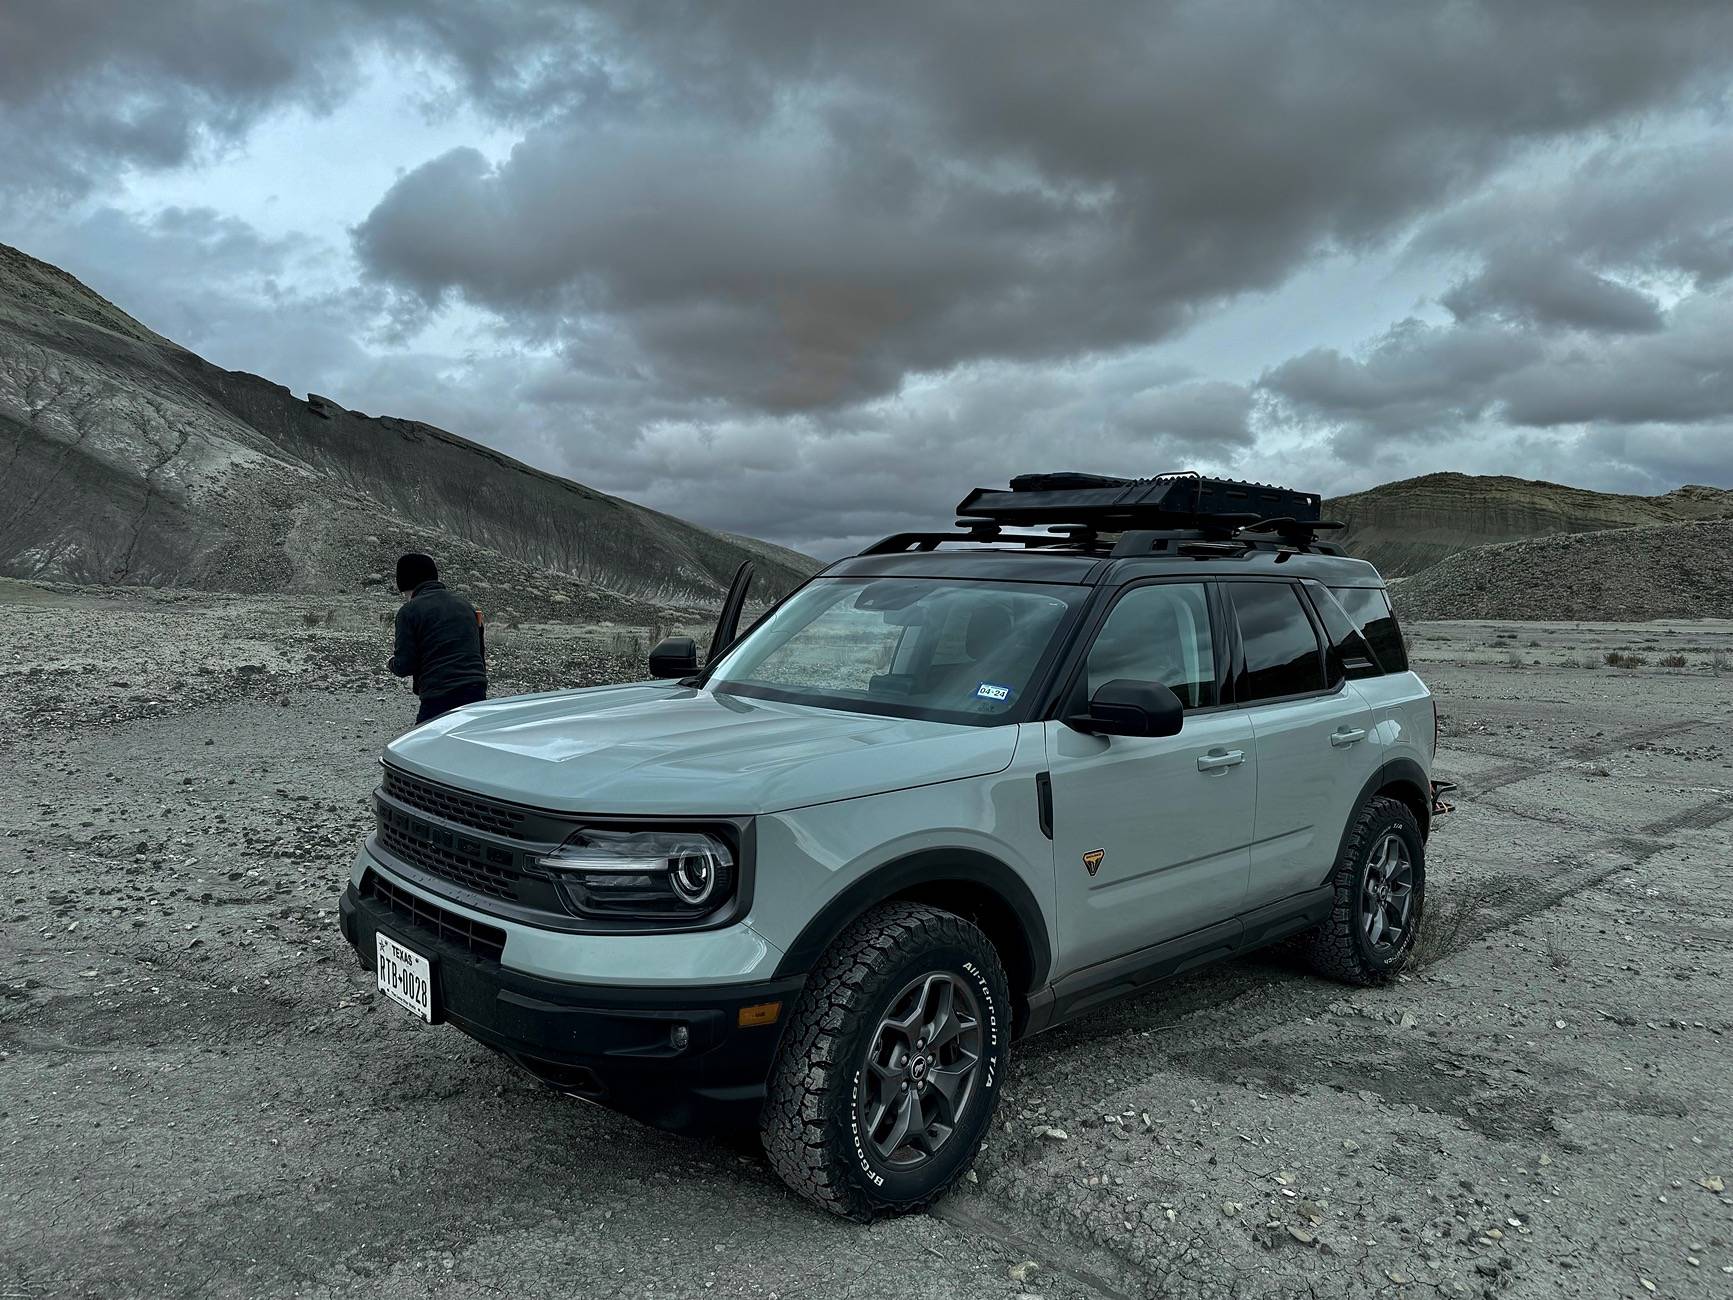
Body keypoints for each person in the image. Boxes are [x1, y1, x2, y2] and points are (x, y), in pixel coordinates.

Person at [387, 553, 488, 724]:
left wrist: (391, 663)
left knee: (422, 746)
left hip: (439, 692)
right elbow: (479, 652)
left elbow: (405, 665)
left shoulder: (409, 611)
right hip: (476, 688)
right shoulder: (466, 605)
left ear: (405, 583)